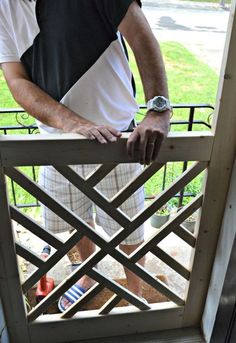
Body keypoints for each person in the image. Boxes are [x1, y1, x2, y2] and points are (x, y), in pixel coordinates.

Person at [0, 0, 171, 311]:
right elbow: (16, 80)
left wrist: (158, 109)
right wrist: (72, 123)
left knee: (128, 227)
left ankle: (136, 292)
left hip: (119, 137)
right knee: (73, 223)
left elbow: (140, 34)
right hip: (55, 141)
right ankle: (87, 275)